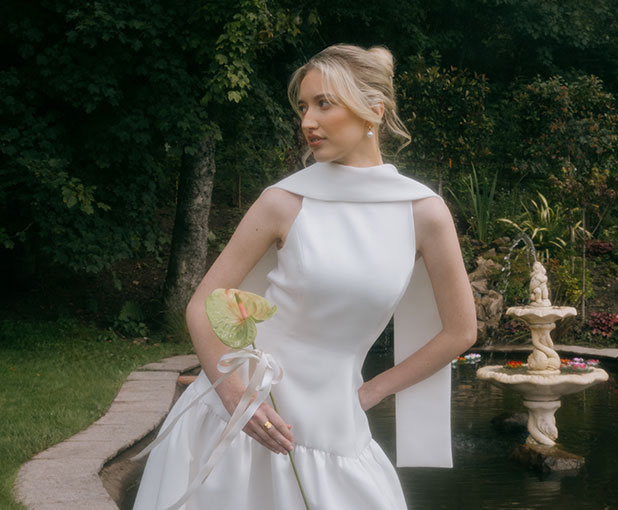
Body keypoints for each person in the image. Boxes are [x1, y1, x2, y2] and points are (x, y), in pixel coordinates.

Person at [132, 43, 477, 509]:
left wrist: (369, 393)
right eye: (302, 107)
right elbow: (202, 304)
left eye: (323, 104)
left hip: (336, 426)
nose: (307, 122)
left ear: (374, 111)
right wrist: (237, 398)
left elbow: (460, 331)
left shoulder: (424, 214)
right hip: (235, 425)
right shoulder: (284, 201)